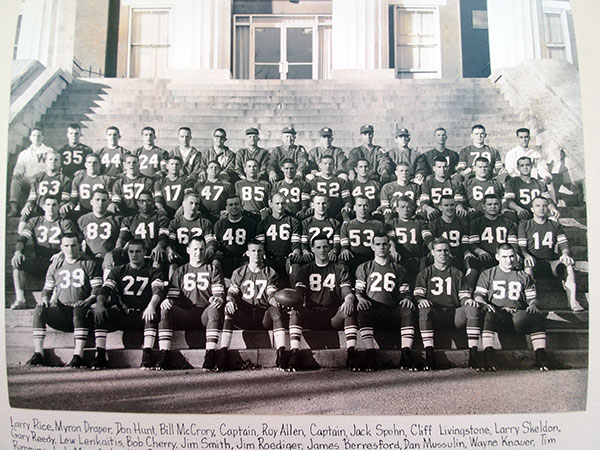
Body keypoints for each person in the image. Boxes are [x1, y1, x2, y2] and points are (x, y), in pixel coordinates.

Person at [27, 233, 102, 368]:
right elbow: (47, 289)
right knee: (39, 308)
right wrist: (44, 298)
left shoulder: (89, 263)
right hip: (62, 313)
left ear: (80, 245)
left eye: (73, 245)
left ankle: (78, 355)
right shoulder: (55, 265)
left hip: (82, 314)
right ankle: (38, 353)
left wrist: (88, 300)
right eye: (66, 246)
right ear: (61, 247)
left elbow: (97, 289)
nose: (70, 249)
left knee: (79, 309)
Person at [93, 239, 165, 369]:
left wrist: (151, 306)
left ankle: (147, 353)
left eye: (138, 251)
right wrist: (99, 303)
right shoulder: (118, 271)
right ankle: (100, 353)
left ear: (145, 252)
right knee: (100, 311)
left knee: (153, 314)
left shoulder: (153, 271)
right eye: (131, 251)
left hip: (142, 314)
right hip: (124, 313)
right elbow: (105, 289)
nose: (134, 254)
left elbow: (158, 290)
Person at [475, 244, 549, 371]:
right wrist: (484, 303)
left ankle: (540, 357)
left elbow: (533, 299)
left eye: (511, 256)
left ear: (515, 256)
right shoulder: (488, 274)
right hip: (497, 315)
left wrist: (533, 305)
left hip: (517, 316)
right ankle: (489, 355)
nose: (508, 260)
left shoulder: (523, 276)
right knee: (488, 313)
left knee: (536, 315)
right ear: (497, 257)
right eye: (504, 257)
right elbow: (478, 296)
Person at [157, 237, 225, 371]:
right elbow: (173, 297)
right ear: (188, 250)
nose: (198, 253)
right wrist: (168, 300)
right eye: (195, 249)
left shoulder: (212, 269)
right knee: (166, 308)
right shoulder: (180, 271)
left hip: (205, 314)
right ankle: (164, 354)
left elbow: (218, 294)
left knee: (214, 308)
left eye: (201, 249)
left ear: (205, 251)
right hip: (186, 314)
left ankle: (210, 354)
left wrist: (217, 299)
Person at [415, 238, 481, 370]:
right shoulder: (425, 273)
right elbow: (418, 295)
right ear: (432, 252)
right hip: (435, 315)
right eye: (439, 250)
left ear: (449, 252)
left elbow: (463, 296)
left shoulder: (457, 273)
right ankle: (429, 355)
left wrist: (467, 300)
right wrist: (420, 300)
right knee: (424, 309)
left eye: (446, 250)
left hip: (454, 314)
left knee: (472, 308)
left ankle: (473, 355)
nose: (443, 253)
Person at [295, 234, 359, 370]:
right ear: (312, 249)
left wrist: (349, 299)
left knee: (349, 307)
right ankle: (295, 353)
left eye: (325, 247)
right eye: (318, 247)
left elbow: (347, 291)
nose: (322, 250)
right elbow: (300, 293)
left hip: (333, 315)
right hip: (312, 315)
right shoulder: (305, 269)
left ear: (330, 248)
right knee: (295, 311)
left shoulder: (339, 269)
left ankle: (352, 353)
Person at [354, 233, 416, 371]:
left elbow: (404, 292)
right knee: (363, 310)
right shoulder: (364, 267)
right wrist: (360, 298)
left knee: (408, 309)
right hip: (374, 312)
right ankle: (370, 353)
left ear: (389, 246)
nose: (381, 247)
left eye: (384, 244)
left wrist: (407, 299)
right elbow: (358, 291)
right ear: (372, 246)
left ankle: (406, 353)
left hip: (391, 312)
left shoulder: (399, 269)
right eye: (378, 244)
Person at [219, 240, 283, 371]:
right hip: (245, 316)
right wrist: (230, 300)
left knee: (275, 310)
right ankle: (223, 353)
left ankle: (281, 353)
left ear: (263, 253)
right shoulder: (239, 272)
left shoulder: (270, 272)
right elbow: (232, 292)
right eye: (253, 251)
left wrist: (273, 300)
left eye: (259, 250)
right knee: (229, 309)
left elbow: (271, 293)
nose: (256, 254)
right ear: (247, 253)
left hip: (263, 316)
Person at [518, 196, 583, 312]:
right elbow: (522, 247)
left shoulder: (554, 225)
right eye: (537, 206)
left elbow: (563, 243)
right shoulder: (525, 225)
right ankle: (532, 302)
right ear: (532, 209)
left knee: (568, 264)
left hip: (551, 263)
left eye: (544, 205)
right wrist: (527, 255)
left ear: (548, 208)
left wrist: (565, 254)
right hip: (535, 263)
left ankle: (572, 301)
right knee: (527, 265)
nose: (541, 208)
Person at [11, 196, 75, 310]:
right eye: (48, 205)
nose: (51, 207)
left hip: (58, 260)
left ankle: (55, 299)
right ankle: (20, 299)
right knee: (18, 263)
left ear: (59, 207)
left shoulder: (65, 223)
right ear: (44, 207)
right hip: (40, 260)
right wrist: (18, 252)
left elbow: (71, 242)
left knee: (64, 265)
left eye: (54, 205)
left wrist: (61, 253)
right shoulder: (34, 221)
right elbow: (22, 239)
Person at [255, 193, 303, 286]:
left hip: (287, 258)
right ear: (270, 204)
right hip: (270, 259)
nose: (280, 206)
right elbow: (260, 245)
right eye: (277, 203)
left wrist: (295, 253)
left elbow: (296, 245)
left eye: (283, 203)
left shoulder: (293, 221)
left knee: (295, 267)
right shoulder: (263, 223)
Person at [166, 192, 216, 278]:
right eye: (191, 203)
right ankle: (172, 289)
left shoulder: (205, 222)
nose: (193, 206)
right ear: (183, 204)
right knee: (172, 266)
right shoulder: (175, 222)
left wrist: (210, 248)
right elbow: (171, 241)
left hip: (199, 257)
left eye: (196, 204)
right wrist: (170, 249)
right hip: (181, 256)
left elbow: (210, 241)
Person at [114, 190, 170, 269]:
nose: (145, 204)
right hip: (135, 254)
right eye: (142, 201)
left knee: (159, 261)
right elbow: (122, 237)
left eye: (148, 201)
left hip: (152, 253)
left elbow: (163, 237)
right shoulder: (129, 220)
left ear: (153, 202)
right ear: (138, 203)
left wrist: (159, 246)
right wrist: (118, 246)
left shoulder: (161, 218)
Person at [19, 151, 72, 229]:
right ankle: (20, 237)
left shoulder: (65, 179)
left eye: (56, 160)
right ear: (46, 162)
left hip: (55, 210)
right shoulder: (38, 177)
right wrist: (27, 205)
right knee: (26, 212)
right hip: (39, 209)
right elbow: (32, 197)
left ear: (60, 163)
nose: (53, 161)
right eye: (50, 159)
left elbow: (64, 200)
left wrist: (54, 209)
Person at [9, 128, 53, 216]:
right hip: (28, 180)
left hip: (42, 180)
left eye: (39, 135)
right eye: (34, 135)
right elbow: (18, 169)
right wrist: (17, 174)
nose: (36, 138)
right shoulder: (24, 153)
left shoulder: (48, 151)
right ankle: (14, 208)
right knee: (15, 181)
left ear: (42, 138)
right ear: (30, 138)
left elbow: (51, 167)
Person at [78, 189, 121, 279]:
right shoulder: (83, 219)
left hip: (109, 260)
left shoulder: (116, 219)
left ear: (108, 202)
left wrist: (112, 254)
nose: (100, 203)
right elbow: (77, 240)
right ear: (91, 202)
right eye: (97, 200)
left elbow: (121, 240)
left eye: (104, 200)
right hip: (89, 258)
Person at [423, 195, 473, 273]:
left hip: (458, 256)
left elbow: (465, 242)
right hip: (442, 257)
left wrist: (466, 251)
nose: (449, 208)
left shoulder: (462, 223)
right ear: (440, 207)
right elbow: (430, 241)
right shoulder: (434, 224)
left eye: (452, 205)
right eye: (446, 205)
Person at [339, 196, 386, 275]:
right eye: (359, 205)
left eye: (365, 205)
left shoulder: (378, 224)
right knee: (343, 259)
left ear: (369, 208)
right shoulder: (347, 225)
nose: (362, 208)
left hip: (372, 258)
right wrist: (344, 249)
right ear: (354, 207)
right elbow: (344, 245)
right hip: (354, 258)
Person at [387, 196, 429, 283]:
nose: (405, 210)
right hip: (401, 259)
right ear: (397, 209)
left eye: (408, 207)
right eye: (402, 207)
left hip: (417, 259)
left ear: (412, 208)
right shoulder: (392, 223)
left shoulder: (419, 223)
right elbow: (391, 239)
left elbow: (427, 238)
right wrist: (393, 250)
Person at [213, 195, 257, 279]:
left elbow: (253, 242)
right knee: (215, 263)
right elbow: (216, 243)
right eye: (231, 205)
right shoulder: (219, 224)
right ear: (226, 208)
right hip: (226, 258)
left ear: (241, 206)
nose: (234, 207)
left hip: (243, 258)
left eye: (236, 204)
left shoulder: (250, 223)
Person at [505, 156, 559, 221]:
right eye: (522, 165)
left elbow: (548, 199)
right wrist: (518, 209)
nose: (525, 167)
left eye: (527, 165)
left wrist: (552, 208)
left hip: (537, 214)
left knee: (553, 219)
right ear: (518, 168)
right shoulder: (512, 182)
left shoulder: (539, 183)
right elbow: (509, 201)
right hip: (520, 213)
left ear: (532, 166)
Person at [68, 153, 112, 217]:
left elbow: (109, 199)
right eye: (89, 162)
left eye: (95, 162)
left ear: (100, 165)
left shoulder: (106, 179)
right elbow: (74, 199)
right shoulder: (78, 179)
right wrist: (69, 204)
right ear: (85, 165)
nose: (92, 165)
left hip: (102, 214)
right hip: (83, 212)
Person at [309, 154, 352, 220]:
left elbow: (347, 199)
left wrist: (347, 206)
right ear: (320, 165)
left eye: (330, 164)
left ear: (334, 166)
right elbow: (311, 200)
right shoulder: (314, 182)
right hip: (320, 213)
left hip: (337, 213)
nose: (328, 166)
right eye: (325, 164)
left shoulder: (341, 181)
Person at [301, 194, 341, 262]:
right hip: (312, 256)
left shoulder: (335, 223)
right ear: (312, 205)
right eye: (318, 203)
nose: (321, 206)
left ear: (328, 205)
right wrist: (305, 252)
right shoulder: (306, 222)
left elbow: (337, 243)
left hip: (329, 255)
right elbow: (304, 243)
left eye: (324, 203)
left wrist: (334, 251)